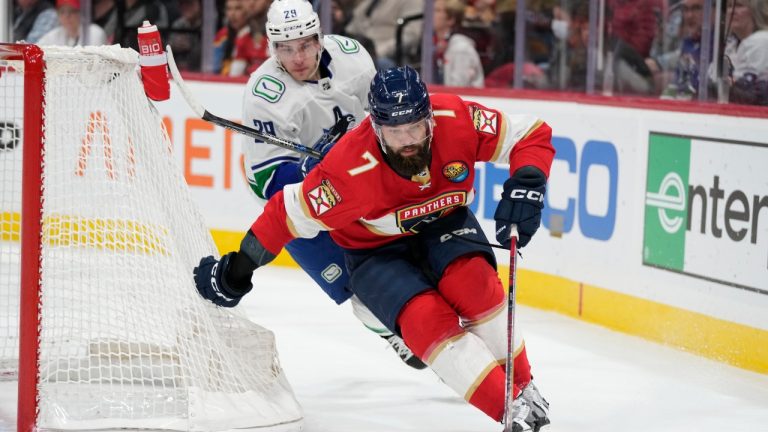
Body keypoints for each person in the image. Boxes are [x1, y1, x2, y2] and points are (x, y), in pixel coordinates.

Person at [193, 65, 555, 431]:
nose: (407, 140)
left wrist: (528, 181)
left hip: (446, 223)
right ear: (375, 127)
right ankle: (512, 413)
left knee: (474, 285)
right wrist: (236, 270)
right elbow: (284, 216)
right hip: (375, 253)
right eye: (394, 132)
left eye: (415, 126)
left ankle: (526, 389)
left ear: (430, 118)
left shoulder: (458, 119)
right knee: (425, 321)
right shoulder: (347, 169)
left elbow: (530, 134)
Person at [237, 0, 425, 369]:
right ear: (271, 47)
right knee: (355, 283)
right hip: (300, 204)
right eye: (285, 48)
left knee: (408, 251)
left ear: (319, 37)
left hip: (363, 181)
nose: (298, 57)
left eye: (306, 44)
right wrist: (311, 173)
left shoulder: (353, 58)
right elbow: (268, 181)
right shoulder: (264, 94)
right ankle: (395, 336)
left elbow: (383, 122)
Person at [433, 0, 485, 88]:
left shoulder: (461, 48)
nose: (430, 14)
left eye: (437, 10)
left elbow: (458, 90)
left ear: (450, 20)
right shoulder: (434, 45)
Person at [38, 0, 108, 47]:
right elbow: (37, 48)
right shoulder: (54, 34)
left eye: (72, 11)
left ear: (81, 13)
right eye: (62, 12)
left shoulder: (94, 32)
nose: (67, 16)